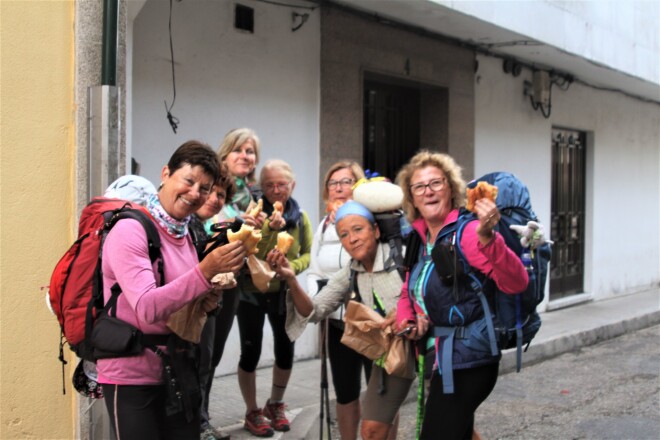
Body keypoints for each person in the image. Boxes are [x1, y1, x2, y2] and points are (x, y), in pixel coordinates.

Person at [96, 140, 247, 440]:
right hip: (132, 376)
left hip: (178, 370)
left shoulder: (187, 232)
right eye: (189, 181)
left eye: (204, 188)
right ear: (166, 173)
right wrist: (205, 273)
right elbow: (148, 307)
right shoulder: (130, 230)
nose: (195, 194)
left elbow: (184, 299)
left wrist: (212, 293)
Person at [394, 151, 528, 440]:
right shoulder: (418, 239)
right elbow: (408, 290)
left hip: (470, 360)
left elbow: (516, 282)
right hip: (440, 355)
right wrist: (408, 320)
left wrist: (489, 239)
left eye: (436, 183)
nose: (428, 191)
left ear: (451, 190)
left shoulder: (467, 233)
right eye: (419, 186)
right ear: (412, 198)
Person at [268, 200, 413, 440]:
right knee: (371, 431)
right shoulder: (350, 272)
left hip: (430, 351)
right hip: (395, 355)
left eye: (358, 229)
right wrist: (292, 279)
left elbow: (432, 296)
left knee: (452, 427)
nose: (352, 238)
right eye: (344, 235)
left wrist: (408, 314)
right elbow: (314, 311)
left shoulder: (403, 258)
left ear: (375, 231)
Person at [237, 159, 313, 437]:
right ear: (261, 186)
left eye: (282, 184)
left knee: (285, 348)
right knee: (251, 351)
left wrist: (293, 269)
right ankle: (252, 410)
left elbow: (306, 253)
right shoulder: (253, 212)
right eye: (269, 185)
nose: (276, 190)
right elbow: (251, 251)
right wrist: (271, 227)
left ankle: (275, 404)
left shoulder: (300, 216)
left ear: (292, 185)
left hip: (283, 292)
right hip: (251, 293)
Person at [199, 128, 264, 439]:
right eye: (238, 150)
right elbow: (208, 224)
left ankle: (202, 417)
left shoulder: (249, 195)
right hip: (206, 278)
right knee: (201, 352)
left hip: (233, 281)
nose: (244, 156)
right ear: (224, 154)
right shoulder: (214, 183)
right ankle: (197, 421)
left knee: (214, 352)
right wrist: (241, 225)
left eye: (250, 151)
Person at [305, 161, 370, 440]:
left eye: (346, 182)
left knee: (380, 392)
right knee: (345, 392)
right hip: (336, 321)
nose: (339, 188)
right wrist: (314, 300)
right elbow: (314, 269)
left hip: (369, 319)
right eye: (333, 183)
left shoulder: (369, 219)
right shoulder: (323, 225)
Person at [188, 164, 237, 440]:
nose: (214, 199)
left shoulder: (202, 227)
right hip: (187, 313)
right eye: (208, 191)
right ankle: (198, 426)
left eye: (220, 194)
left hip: (207, 307)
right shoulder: (186, 225)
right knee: (197, 365)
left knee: (207, 362)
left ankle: (202, 423)